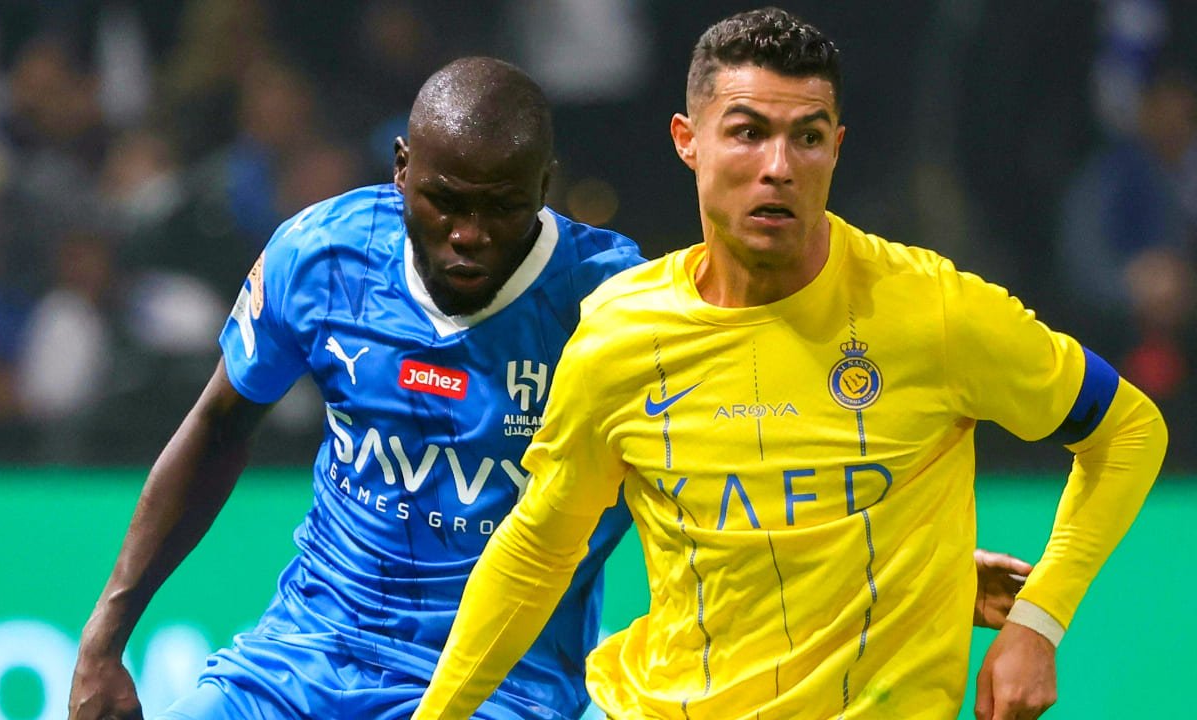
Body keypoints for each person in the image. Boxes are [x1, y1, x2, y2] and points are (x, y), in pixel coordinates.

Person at [69, 56, 1032, 720]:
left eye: (501, 206)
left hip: (503, 683)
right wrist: (105, 637)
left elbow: (739, 464)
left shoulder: (611, 302)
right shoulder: (322, 256)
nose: (469, 235)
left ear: (547, 186)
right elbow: (217, 424)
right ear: (403, 170)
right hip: (303, 657)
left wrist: (915, 569)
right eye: (443, 200)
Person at [413, 9, 1167, 720]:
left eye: (806, 138)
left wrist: (1038, 622)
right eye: (747, 133)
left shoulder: (931, 310)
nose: (778, 166)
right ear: (688, 139)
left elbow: (1129, 429)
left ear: (835, 148)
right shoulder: (620, 333)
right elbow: (539, 547)